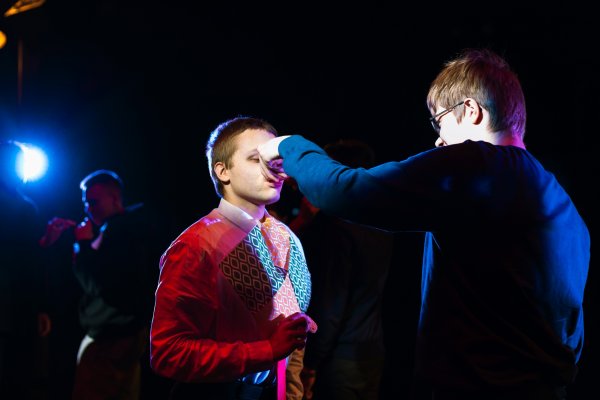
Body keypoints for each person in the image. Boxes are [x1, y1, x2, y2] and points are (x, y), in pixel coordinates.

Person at [257, 48, 590, 400]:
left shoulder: (473, 164)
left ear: (471, 111)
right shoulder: (563, 206)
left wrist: (289, 146)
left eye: (440, 120)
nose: (438, 139)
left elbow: (346, 190)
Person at [150, 116, 317, 400]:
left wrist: (291, 393)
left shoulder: (287, 238)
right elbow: (168, 352)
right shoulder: (195, 246)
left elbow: (292, 344)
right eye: (255, 159)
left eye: (274, 158)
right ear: (223, 171)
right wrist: (267, 350)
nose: (272, 167)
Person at [39, 169, 160, 400]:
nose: (88, 208)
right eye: (86, 203)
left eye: (93, 201)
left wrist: (83, 245)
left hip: (111, 338)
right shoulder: (119, 229)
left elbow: (100, 284)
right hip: (120, 334)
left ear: (114, 199)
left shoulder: (122, 231)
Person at [289, 139, 395, 400]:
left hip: (337, 359)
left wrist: (310, 364)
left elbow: (330, 306)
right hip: (370, 351)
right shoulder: (382, 223)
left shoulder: (335, 227)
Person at [0, 140, 51, 398]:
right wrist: (41, 307)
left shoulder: (23, 206)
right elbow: (30, 261)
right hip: (14, 306)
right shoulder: (23, 206)